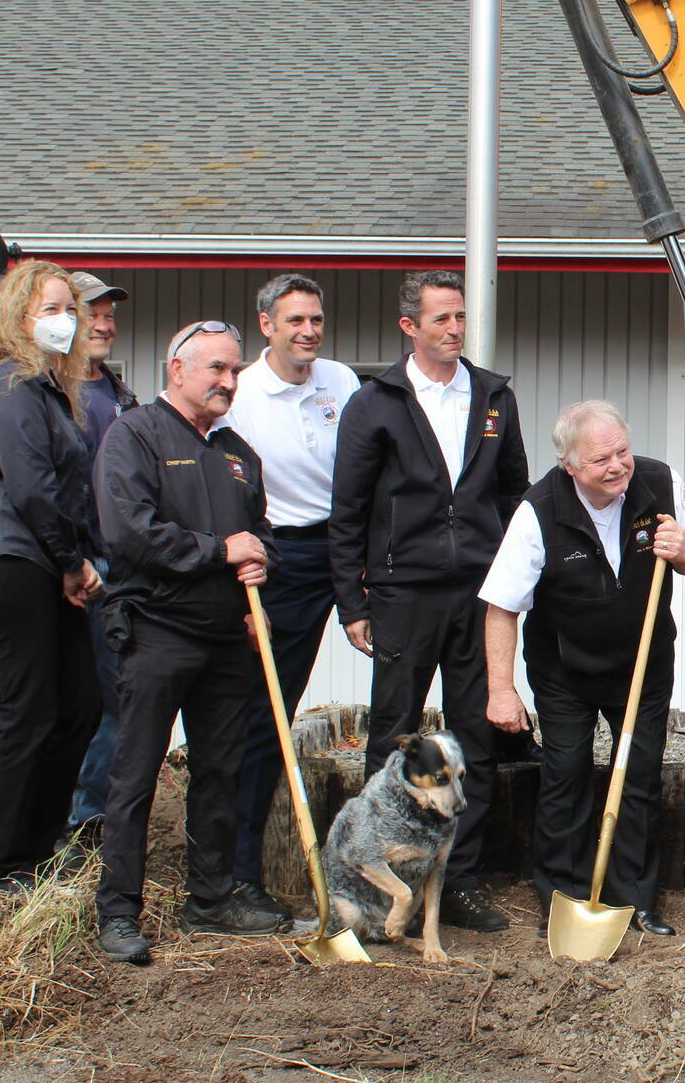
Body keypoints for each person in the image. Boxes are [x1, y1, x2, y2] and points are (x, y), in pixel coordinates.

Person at [332, 270, 530, 934]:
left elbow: (514, 496)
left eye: (460, 318)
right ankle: (372, 882)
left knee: (475, 735)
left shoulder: (494, 396)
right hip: (402, 590)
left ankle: (461, 881)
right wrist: (351, 600)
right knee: (394, 733)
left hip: (478, 592)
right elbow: (348, 508)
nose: (454, 329)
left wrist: (514, 579)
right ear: (409, 326)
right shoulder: (377, 402)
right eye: (441, 318)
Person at [481, 401, 685, 937]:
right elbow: (501, 606)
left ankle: (636, 901)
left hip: (643, 663)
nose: (616, 466)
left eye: (622, 451)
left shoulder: (659, 481)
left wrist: (682, 550)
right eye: (599, 460)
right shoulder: (538, 509)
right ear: (569, 466)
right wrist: (501, 688)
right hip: (565, 669)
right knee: (566, 778)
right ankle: (564, 898)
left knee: (638, 776)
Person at [92, 321, 281, 965]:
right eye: (216, 369)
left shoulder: (238, 454)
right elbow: (129, 532)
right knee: (136, 773)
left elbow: (258, 532)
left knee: (220, 771)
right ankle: (118, 911)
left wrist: (260, 561)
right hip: (157, 629)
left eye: (234, 371)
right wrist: (217, 551)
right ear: (178, 368)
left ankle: (210, 899)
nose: (228, 382)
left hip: (226, 637)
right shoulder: (135, 435)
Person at [0, 260, 104, 893]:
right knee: (32, 708)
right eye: (50, 309)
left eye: (71, 309)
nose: (64, 321)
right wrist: (72, 562)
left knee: (80, 706)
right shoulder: (9, 385)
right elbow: (33, 488)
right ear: (18, 316)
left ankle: (37, 850)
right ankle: (2, 864)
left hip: (43, 559)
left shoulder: (47, 389)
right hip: (10, 557)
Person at [224, 275, 361, 920]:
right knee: (265, 713)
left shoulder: (341, 381)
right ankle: (236, 873)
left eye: (316, 319)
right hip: (279, 554)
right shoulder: (241, 395)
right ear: (266, 325)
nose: (307, 331)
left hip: (344, 546)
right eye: (294, 321)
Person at [66, 271, 137, 841]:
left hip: (114, 571)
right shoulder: (45, 392)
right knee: (75, 699)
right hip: (71, 567)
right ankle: (73, 817)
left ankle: (92, 819)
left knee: (116, 696)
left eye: (110, 315)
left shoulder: (118, 395)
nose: (104, 324)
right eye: (93, 313)